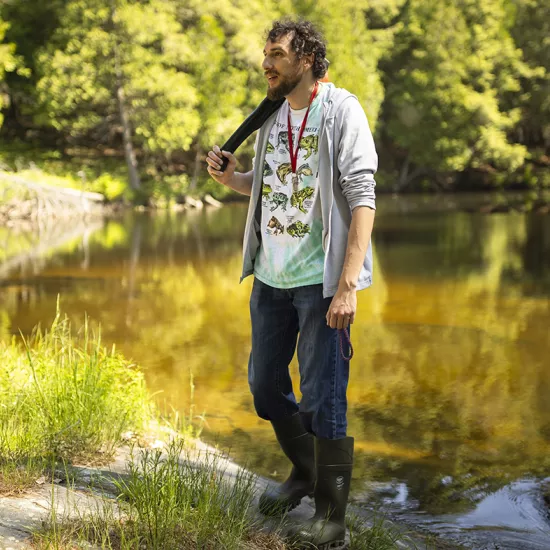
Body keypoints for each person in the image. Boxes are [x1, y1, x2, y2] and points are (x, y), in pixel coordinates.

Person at [206, 18, 377, 550]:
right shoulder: (273, 113)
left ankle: (333, 515)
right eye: (265, 54)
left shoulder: (341, 110)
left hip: (321, 282)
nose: (267, 63)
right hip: (271, 278)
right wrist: (229, 177)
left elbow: (362, 197)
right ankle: (305, 471)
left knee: (324, 398)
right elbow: (270, 183)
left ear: (305, 59)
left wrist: (348, 284)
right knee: (263, 386)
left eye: (276, 53)